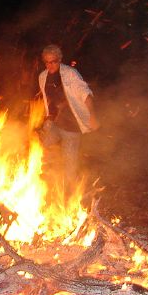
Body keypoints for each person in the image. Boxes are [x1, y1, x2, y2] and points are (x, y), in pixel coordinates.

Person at [37, 44, 99, 197]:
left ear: (60, 60)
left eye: (53, 61)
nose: (50, 65)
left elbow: (86, 94)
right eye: (47, 62)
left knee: (70, 163)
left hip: (72, 126)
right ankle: (43, 180)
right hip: (54, 122)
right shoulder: (42, 76)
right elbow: (48, 100)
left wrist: (92, 116)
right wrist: (48, 118)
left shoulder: (70, 74)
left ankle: (70, 195)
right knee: (39, 148)